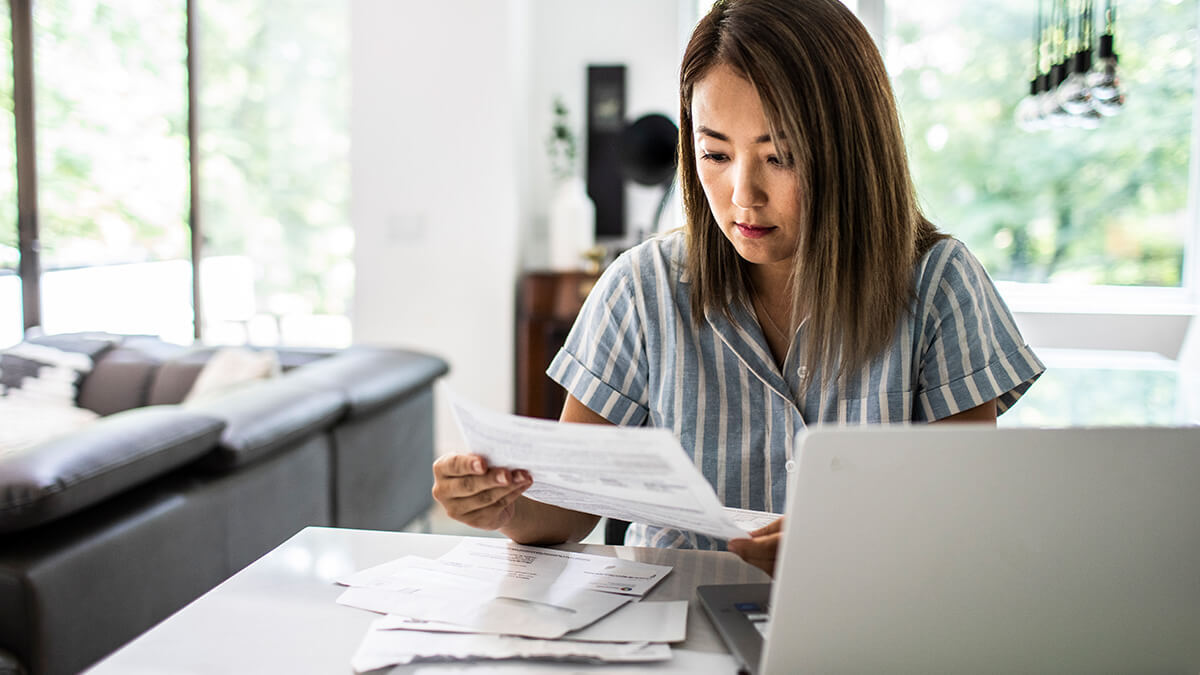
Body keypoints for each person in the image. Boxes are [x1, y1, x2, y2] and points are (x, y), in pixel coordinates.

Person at [433, 0, 1044, 575]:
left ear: (852, 151)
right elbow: (568, 509)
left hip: (868, 627)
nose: (741, 195)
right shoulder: (642, 288)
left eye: (780, 157)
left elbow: (965, 518)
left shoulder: (939, 286)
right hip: (671, 630)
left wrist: (849, 542)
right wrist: (506, 504)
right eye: (714, 154)